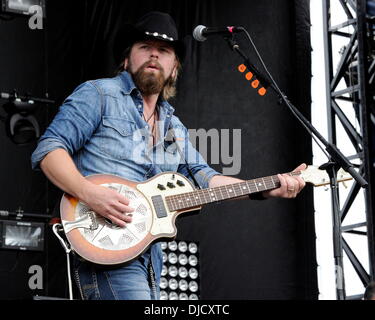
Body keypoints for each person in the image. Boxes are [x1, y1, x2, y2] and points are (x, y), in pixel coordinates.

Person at [31, 11, 306, 300]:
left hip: (149, 257)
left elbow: (208, 181)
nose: (153, 55)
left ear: (174, 68)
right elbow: (50, 150)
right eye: (144, 47)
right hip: (104, 243)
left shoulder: (174, 128)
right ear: (126, 59)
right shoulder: (99, 94)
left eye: (163, 51)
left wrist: (268, 187)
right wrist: (90, 193)